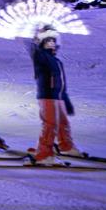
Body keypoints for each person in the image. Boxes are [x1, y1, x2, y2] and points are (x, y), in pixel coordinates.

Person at [25, 25, 81, 166]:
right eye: (48, 40)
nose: (52, 43)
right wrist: (36, 36)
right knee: (50, 124)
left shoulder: (57, 61)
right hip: (47, 95)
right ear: (42, 42)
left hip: (58, 96)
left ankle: (66, 147)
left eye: (53, 40)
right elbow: (32, 48)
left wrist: (66, 100)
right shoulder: (40, 56)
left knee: (63, 123)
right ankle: (44, 154)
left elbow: (62, 83)